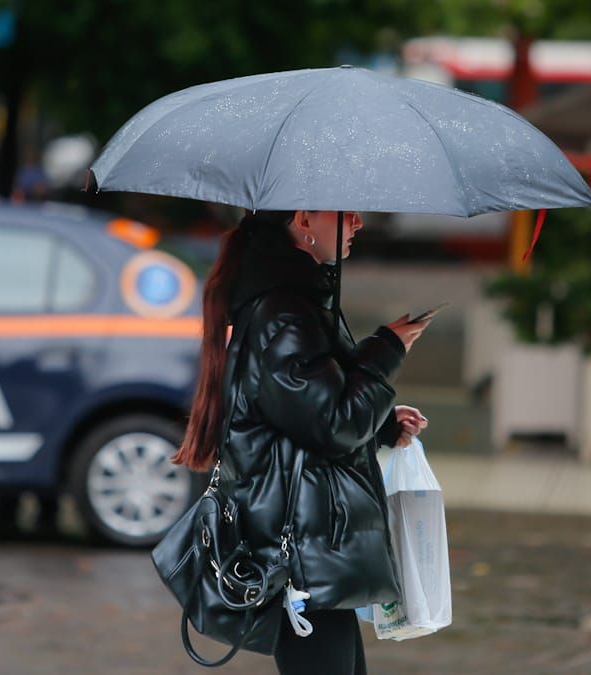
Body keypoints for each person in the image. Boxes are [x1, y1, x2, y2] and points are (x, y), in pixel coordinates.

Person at [173, 210, 430, 674]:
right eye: (345, 211)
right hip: (303, 551)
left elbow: (302, 414)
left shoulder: (296, 302)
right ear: (305, 219)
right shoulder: (285, 312)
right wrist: (387, 349)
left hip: (314, 542)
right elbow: (332, 422)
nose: (357, 223)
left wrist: (381, 424)